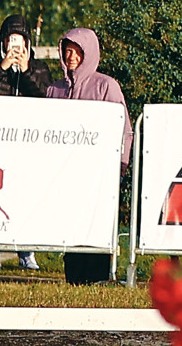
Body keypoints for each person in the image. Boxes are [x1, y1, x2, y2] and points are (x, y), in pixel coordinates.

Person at [45, 27, 131, 283]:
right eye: (67, 51)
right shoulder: (54, 90)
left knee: (97, 225)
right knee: (71, 226)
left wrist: (121, 166)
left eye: (77, 51)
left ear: (88, 53)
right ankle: (73, 277)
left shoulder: (106, 86)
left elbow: (125, 129)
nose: (71, 56)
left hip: (99, 174)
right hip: (66, 174)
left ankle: (99, 277)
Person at [0, 15, 44, 273]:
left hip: (26, 145)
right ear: (2, 41)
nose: (15, 45)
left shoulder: (39, 68)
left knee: (24, 197)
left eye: (20, 40)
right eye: (10, 39)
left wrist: (25, 71)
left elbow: (45, 98)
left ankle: (26, 252)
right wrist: (1, 67)